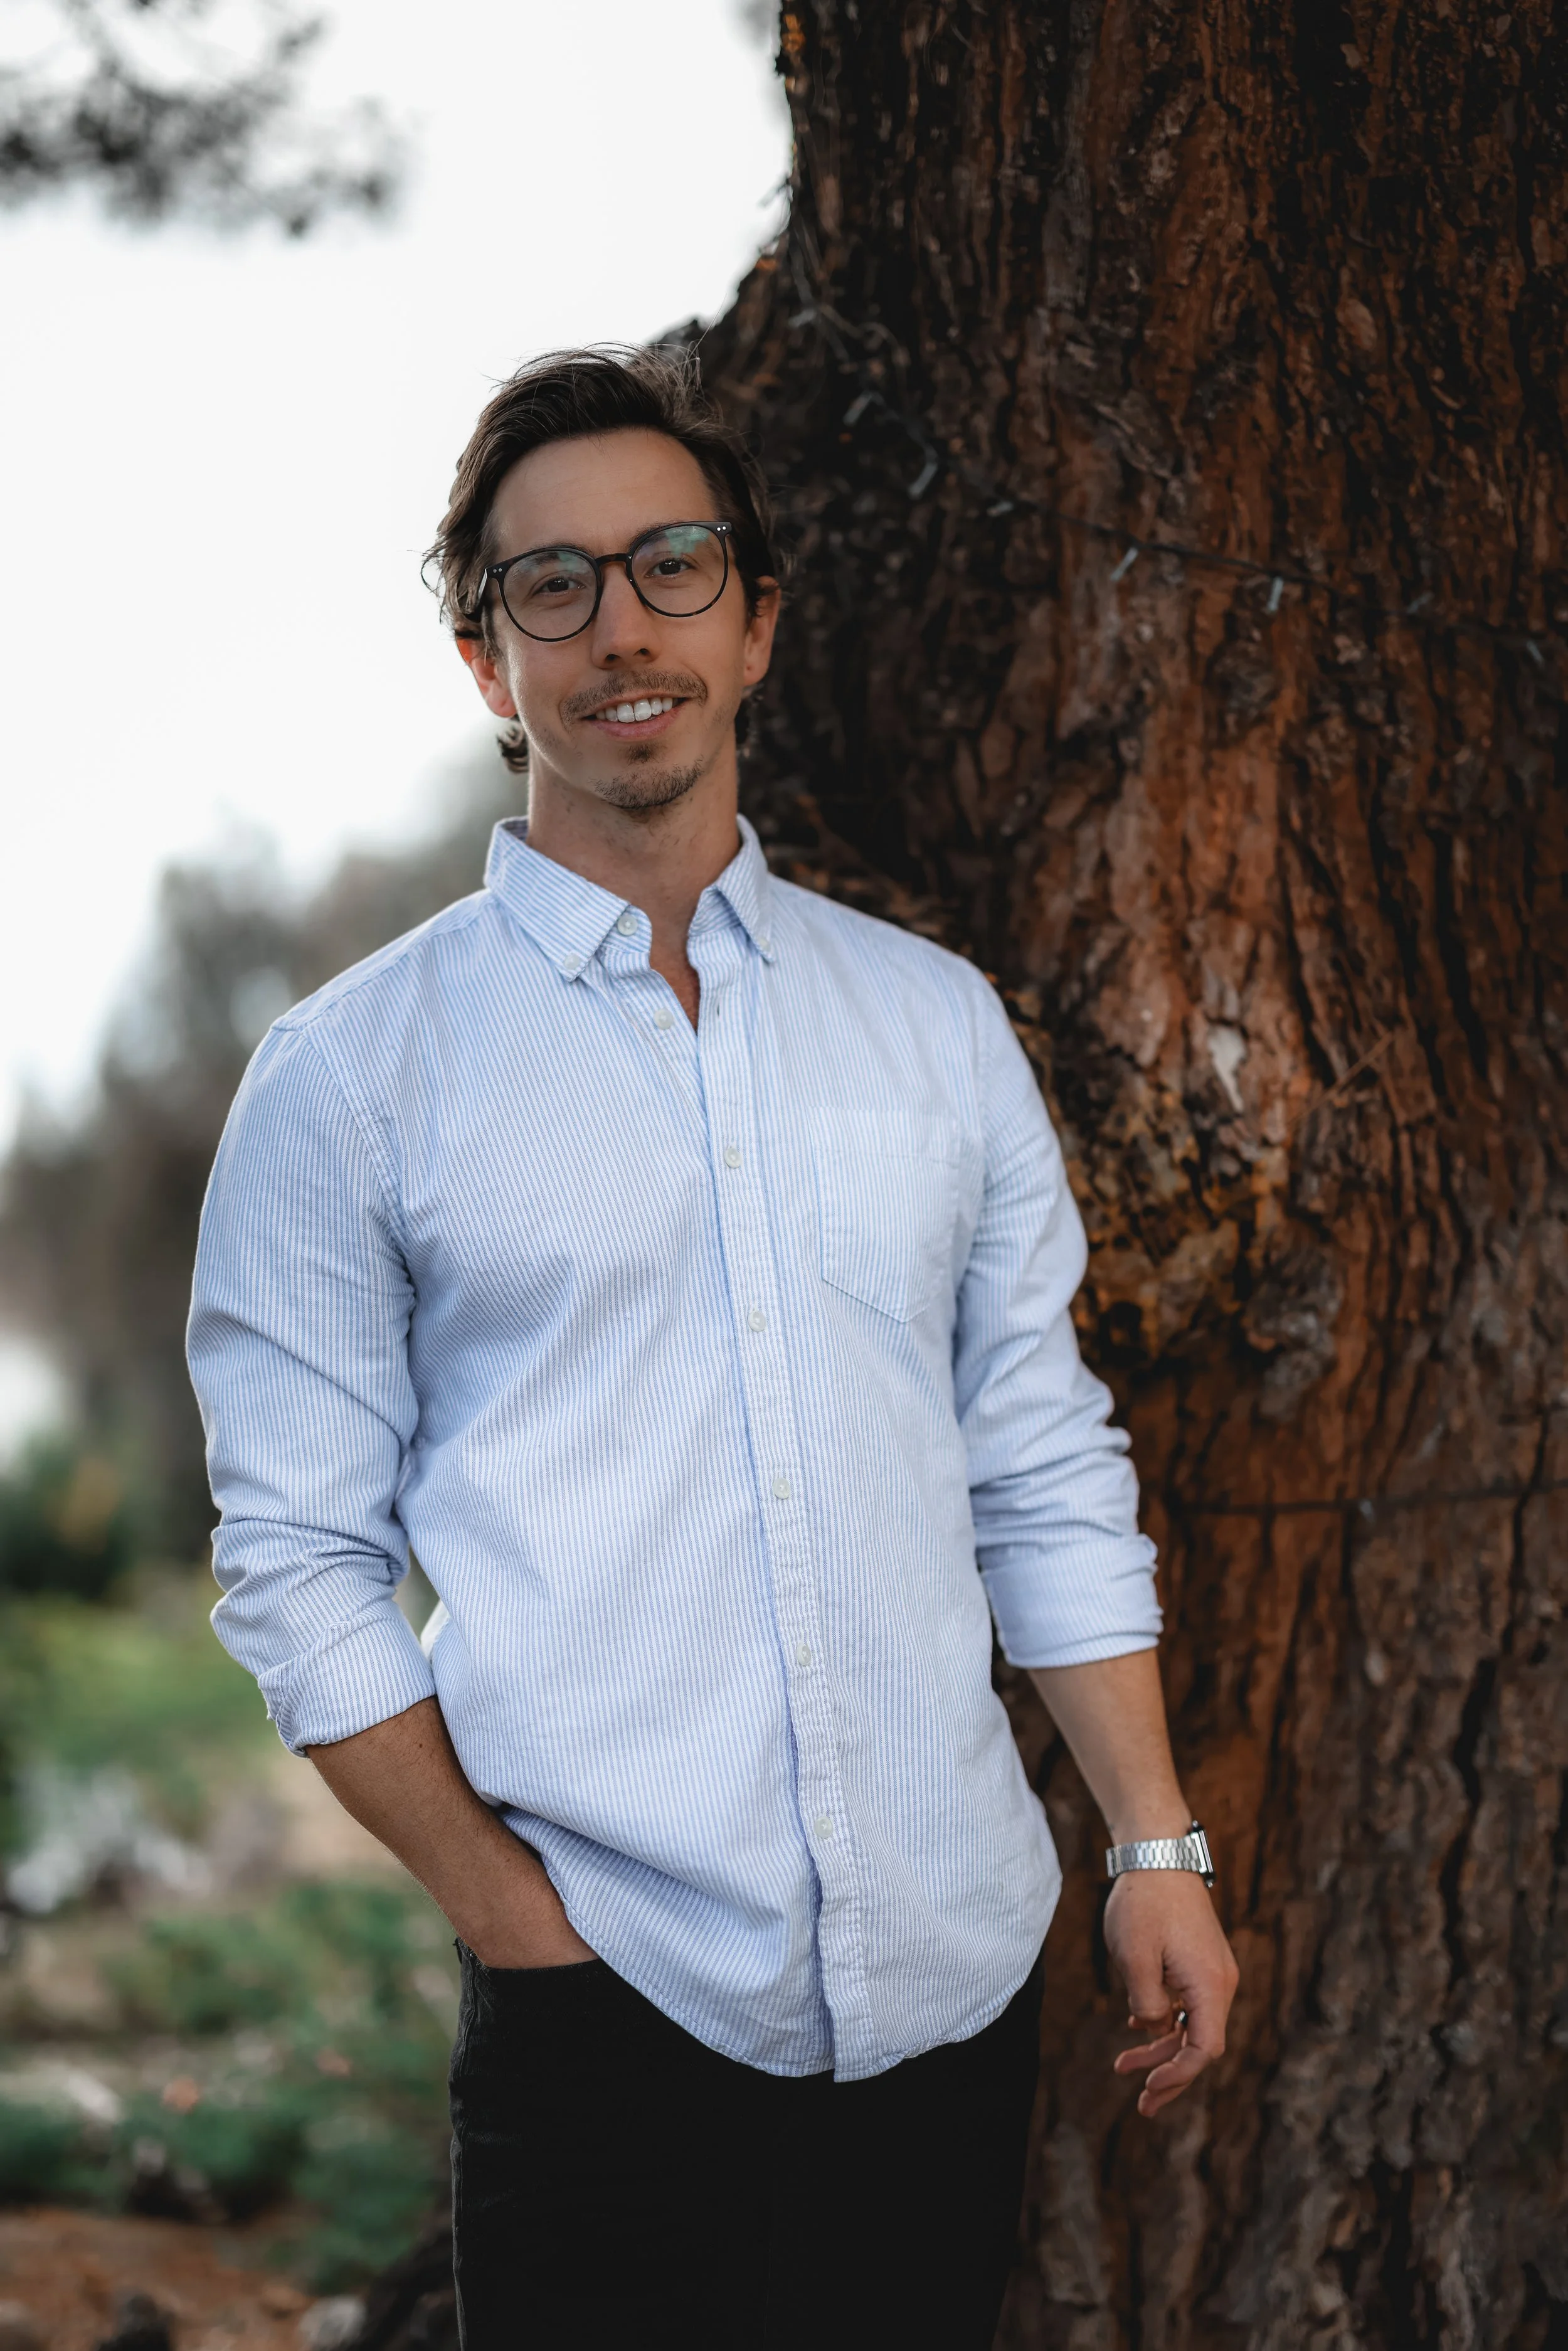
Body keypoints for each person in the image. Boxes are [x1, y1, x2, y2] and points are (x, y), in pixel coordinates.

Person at [187, 346, 1239, 2349]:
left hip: (951, 1990)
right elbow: (295, 1564)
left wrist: (1150, 1840)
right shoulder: (350, 1080)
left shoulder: (928, 1026)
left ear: (754, 619)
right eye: (550, 585)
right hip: (611, 2015)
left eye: (671, 564)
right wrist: (515, 1921)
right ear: (487, 663)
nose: (620, 626)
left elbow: (1032, 1456)